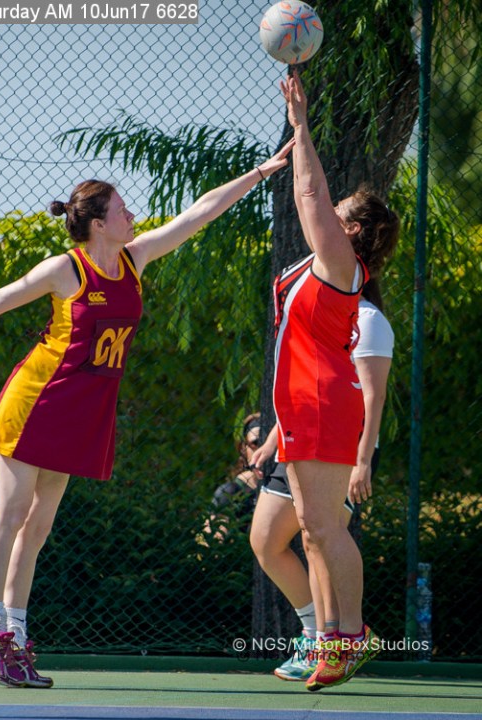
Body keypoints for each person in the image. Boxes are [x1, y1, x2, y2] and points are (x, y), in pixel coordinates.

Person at [0, 141, 295, 689]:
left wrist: (259, 173)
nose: (133, 215)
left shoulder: (135, 259)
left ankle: (13, 635)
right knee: (9, 517)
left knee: (37, 529)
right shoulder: (65, 269)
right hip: (36, 401)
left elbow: (199, 213)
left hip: (82, 413)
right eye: (123, 209)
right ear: (98, 224)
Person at [263, 69, 400, 691]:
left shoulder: (341, 261)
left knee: (325, 528)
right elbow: (314, 201)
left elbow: (309, 194)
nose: (330, 208)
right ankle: (332, 641)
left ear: (351, 231)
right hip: (301, 405)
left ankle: (352, 633)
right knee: (314, 533)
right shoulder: (326, 264)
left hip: (322, 402)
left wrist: (301, 126)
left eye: (341, 212)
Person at [249, 282, 394, 682]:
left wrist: (363, 460)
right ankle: (315, 632)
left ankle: (335, 642)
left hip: (343, 447)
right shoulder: (321, 318)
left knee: (318, 539)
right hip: (299, 439)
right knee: (265, 539)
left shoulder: (368, 320)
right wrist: (273, 440)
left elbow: (372, 397)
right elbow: (309, 385)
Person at [205, 413, 263, 542]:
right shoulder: (230, 492)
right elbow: (212, 543)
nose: (262, 450)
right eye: (256, 443)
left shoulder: (290, 485)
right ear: (243, 448)